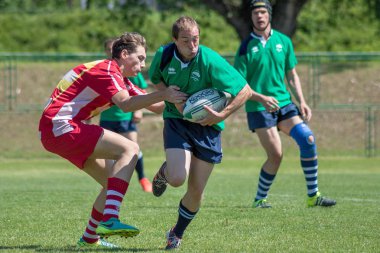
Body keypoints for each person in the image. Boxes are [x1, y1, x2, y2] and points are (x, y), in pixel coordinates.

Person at [38, 32, 187, 249]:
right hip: (59, 125)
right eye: (141, 58)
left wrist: (188, 97)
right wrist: (164, 94)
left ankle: (89, 239)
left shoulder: (121, 79)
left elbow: (154, 107)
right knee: (130, 148)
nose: (143, 64)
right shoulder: (107, 69)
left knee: (113, 180)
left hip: (57, 129)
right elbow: (126, 104)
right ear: (124, 54)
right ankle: (110, 219)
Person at [148, 16, 276, 250]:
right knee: (177, 178)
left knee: (196, 192)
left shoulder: (209, 59)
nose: (192, 45)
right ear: (174, 40)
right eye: (185, 40)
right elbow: (155, 79)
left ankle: (176, 233)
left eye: (196, 39)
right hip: (177, 121)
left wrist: (222, 115)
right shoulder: (164, 55)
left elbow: (245, 90)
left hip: (209, 127)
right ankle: (165, 172)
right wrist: (168, 94)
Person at [234, 0, 336, 208]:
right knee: (276, 155)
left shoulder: (284, 41)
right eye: (255, 13)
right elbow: (239, 85)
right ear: (251, 17)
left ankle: (313, 196)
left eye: (263, 12)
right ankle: (259, 199)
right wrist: (261, 98)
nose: (259, 16)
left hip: (284, 103)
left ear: (269, 15)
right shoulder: (245, 47)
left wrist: (302, 101)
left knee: (307, 139)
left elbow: (292, 74)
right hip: (259, 107)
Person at [100, 38, 152, 192]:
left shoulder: (130, 67)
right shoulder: (104, 70)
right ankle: (112, 182)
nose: (111, 51)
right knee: (108, 154)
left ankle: (142, 178)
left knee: (134, 148)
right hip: (107, 117)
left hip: (125, 116)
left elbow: (140, 90)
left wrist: (138, 109)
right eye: (109, 49)